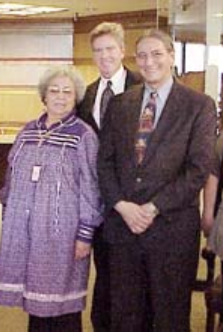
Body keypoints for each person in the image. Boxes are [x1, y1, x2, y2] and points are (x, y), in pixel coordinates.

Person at [97, 29, 217, 331]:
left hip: (172, 229)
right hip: (124, 228)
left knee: (170, 315)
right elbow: (104, 163)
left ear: (172, 56)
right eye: (142, 55)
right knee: (125, 314)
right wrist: (122, 206)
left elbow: (198, 169)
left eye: (157, 54)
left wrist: (152, 208)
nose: (149, 62)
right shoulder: (120, 104)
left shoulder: (199, 105)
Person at [0, 65, 103, 332]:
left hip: (61, 232)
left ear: (76, 96)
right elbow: (11, 178)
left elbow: (92, 187)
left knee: (62, 305)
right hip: (25, 230)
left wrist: (85, 234)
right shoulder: (27, 132)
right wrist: (10, 217)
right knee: (35, 302)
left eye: (68, 91)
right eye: (54, 90)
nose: (61, 97)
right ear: (44, 95)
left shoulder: (83, 135)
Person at [76, 22, 142, 332]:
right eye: (98, 51)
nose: (104, 56)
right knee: (104, 273)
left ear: (122, 50)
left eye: (110, 49)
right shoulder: (87, 94)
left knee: (133, 278)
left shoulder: (143, 86)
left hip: (136, 204)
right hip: (100, 204)